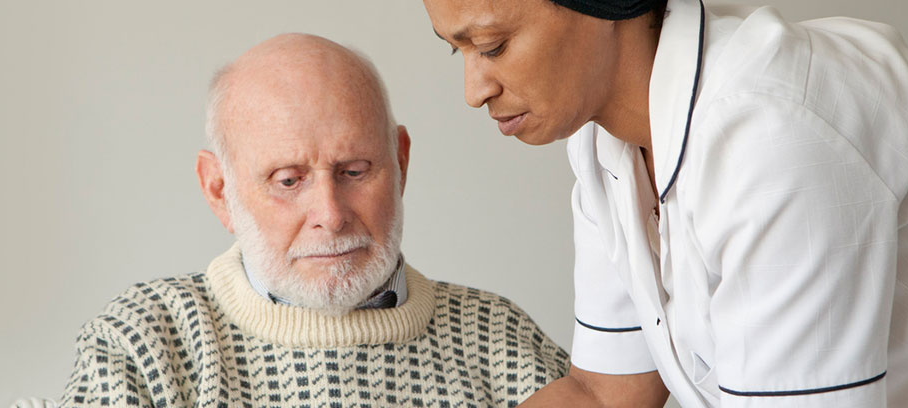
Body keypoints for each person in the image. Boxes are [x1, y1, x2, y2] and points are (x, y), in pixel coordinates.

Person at [422, 0, 908, 406]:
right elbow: (604, 393)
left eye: (492, 46)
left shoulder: (771, 133)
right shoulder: (603, 143)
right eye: (456, 49)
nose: (473, 90)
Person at [57, 33, 569, 408]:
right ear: (219, 191)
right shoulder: (145, 341)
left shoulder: (500, 337)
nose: (331, 215)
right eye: (287, 180)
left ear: (401, 163)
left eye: (354, 170)